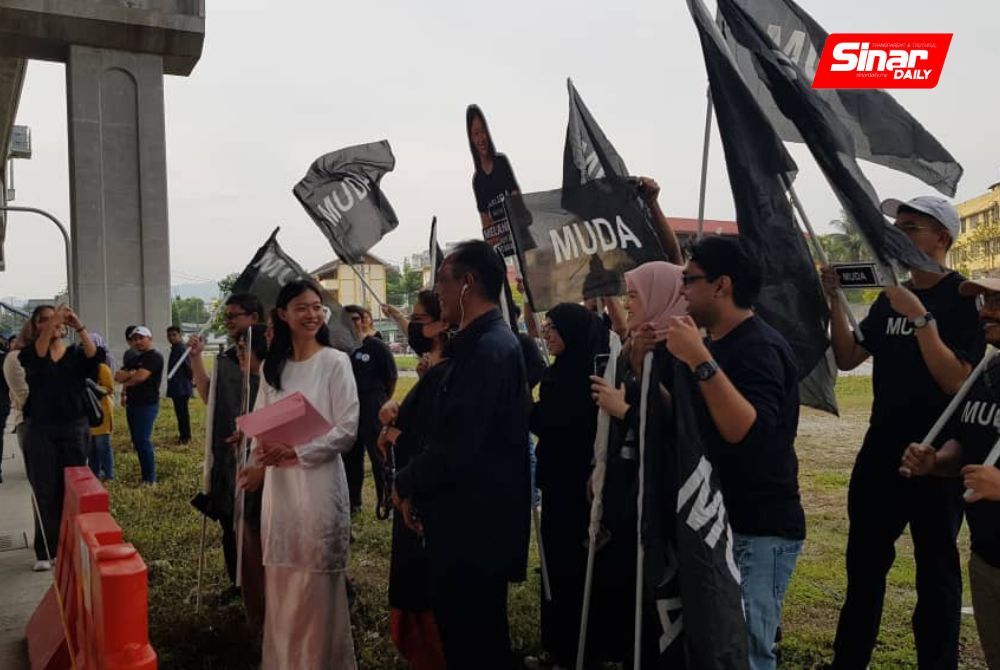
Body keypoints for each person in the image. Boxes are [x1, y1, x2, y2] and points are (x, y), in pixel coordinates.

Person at [823, 196, 984, 670]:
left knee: (936, 575)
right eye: (897, 227)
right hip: (880, 452)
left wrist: (919, 318)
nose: (899, 236)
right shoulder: (890, 296)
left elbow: (956, 381)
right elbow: (848, 357)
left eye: (911, 228)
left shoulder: (966, 300)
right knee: (864, 569)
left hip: (937, 458)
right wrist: (833, 301)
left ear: (943, 238)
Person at [665, 237, 805, 670]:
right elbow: (697, 421)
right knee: (720, 646)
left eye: (689, 279)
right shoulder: (718, 344)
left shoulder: (759, 347)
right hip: (721, 520)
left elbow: (748, 432)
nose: (682, 290)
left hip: (759, 528)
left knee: (747, 651)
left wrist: (700, 360)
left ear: (721, 285)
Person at [393, 240, 531, 669]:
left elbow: (457, 444)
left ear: (468, 283)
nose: (438, 294)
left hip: (472, 530)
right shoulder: (480, 343)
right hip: (471, 524)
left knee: (473, 642)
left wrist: (405, 481)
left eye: (442, 283)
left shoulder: (488, 349)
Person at [237, 280, 360, 670]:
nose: (312, 314)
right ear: (283, 315)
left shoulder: (335, 362)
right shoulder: (274, 368)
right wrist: (257, 462)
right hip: (282, 491)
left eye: (317, 307)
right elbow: (261, 427)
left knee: (315, 585)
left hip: (319, 487)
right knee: (283, 582)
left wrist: (297, 451)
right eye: (302, 307)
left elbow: (347, 429)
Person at [901, 272, 1000, 669]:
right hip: (987, 558)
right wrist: (936, 461)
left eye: (997, 303)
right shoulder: (987, 372)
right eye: (984, 302)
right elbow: (966, 440)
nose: (985, 312)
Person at [530, 303, 608, 668]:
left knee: (575, 570)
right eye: (546, 327)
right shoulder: (557, 372)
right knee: (554, 568)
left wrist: (526, 410)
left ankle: (579, 651)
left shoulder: (588, 377)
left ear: (573, 332)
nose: (547, 334)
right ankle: (556, 645)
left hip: (578, 486)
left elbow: (557, 424)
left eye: (554, 328)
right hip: (556, 482)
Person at [377, 290, 451, 670]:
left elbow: (434, 440)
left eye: (419, 320)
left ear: (442, 324)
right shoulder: (430, 367)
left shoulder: (451, 371)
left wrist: (396, 431)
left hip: (424, 496)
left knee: (425, 588)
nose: (414, 328)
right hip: (408, 486)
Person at [189, 293, 266, 613]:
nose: (229, 322)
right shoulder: (226, 359)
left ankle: (260, 586)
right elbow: (211, 397)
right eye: (227, 317)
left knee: (255, 523)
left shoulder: (270, 360)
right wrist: (196, 359)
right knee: (229, 520)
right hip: (225, 452)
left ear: (254, 318)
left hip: (260, 454)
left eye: (235, 316)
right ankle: (237, 583)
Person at [18, 304, 99, 569]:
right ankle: (47, 551)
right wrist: (54, 319)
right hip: (41, 429)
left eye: (55, 320)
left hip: (74, 428)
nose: (52, 323)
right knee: (45, 489)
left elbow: (94, 357)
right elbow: (40, 357)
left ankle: (74, 545)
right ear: (35, 327)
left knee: (74, 489)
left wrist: (79, 326)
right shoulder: (29, 354)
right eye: (44, 320)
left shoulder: (75, 353)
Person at [343, 303, 397, 513]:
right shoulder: (341, 348)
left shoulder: (376, 346)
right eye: (346, 320)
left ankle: (386, 499)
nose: (351, 323)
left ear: (363, 320)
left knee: (379, 454)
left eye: (355, 319)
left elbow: (391, 376)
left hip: (373, 403)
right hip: (349, 405)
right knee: (350, 455)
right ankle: (353, 501)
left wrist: (382, 400)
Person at [114, 326, 164, 484]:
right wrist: (131, 375)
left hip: (147, 404)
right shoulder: (134, 358)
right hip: (133, 403)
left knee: (142, 440)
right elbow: (117, 376)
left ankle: (150, 479)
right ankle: (145, 475)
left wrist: (129, 376)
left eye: (141, 338)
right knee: (136, 440)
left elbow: (140, 378)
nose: (138, 341)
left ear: (150, 338)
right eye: (135, 339)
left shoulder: (155, 357)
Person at [87, 333, 115, 480]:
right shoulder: (81, 367)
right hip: (87, 413)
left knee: (103, 446)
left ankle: (109, 475)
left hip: (101, 412)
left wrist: (94, 387)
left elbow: (109, 389)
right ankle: (94, 475)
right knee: (91, 448)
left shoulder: (103, 368)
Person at [166, 325, 193, 444]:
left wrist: (192, 380)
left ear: (180, 335)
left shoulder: (181, 349)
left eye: (174, 335)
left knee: (182, 413)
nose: (171, 337)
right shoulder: (175, 348)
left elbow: (188, 367)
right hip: (177, 386)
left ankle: (185, 436)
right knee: (180, 412)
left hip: (182, 387)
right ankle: (183, 435)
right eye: (169, 335)